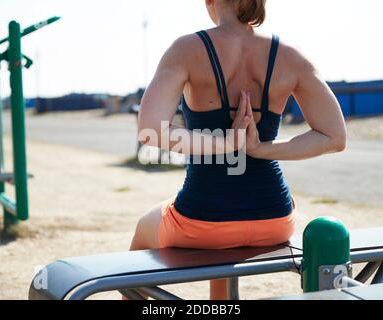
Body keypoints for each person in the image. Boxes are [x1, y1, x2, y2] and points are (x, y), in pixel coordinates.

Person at [130, 0, 346, 300]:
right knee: (223, 248)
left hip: (203, 220)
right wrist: (260, 148)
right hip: (273, 220)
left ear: (212, 2)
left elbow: (149, 131)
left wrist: (225, 144)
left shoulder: (186, 49)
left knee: (143, 229)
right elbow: (335, 136)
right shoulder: (290, 56)